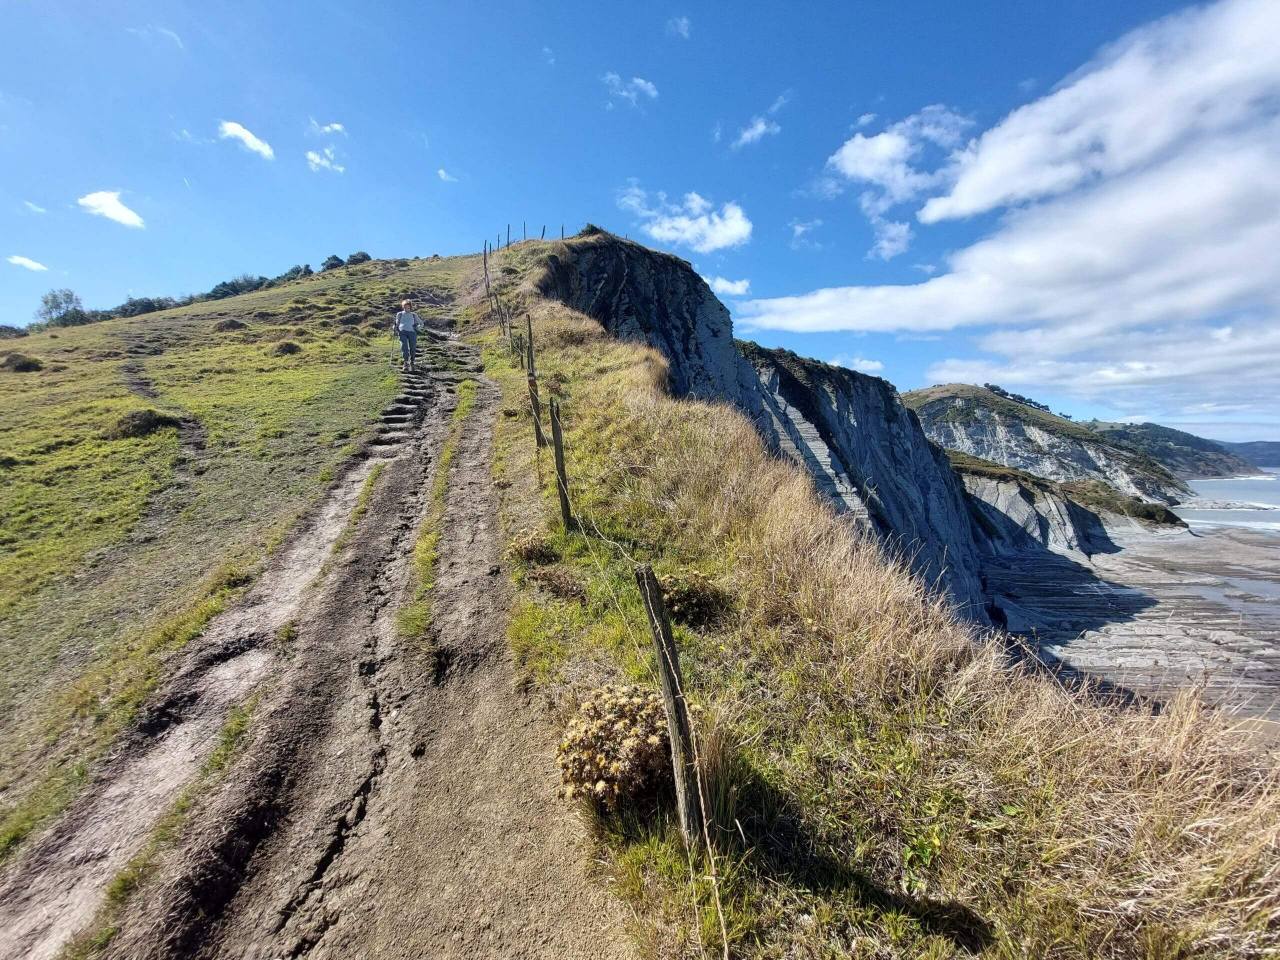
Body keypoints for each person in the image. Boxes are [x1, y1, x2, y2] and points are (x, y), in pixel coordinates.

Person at [392, 300, 423, 372]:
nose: (406, 309)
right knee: (404, 347)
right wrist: (394, 327)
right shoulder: (399, 314)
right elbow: (397, 323)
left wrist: (417, 328)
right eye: (405, 307)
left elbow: (421, 323)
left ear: (410, 307)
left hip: (412, 333)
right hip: (402, 332)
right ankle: (405, 363)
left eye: (408, 307)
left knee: (413, 348)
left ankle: (412, 362)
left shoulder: (414, 315)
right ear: (403, 307)